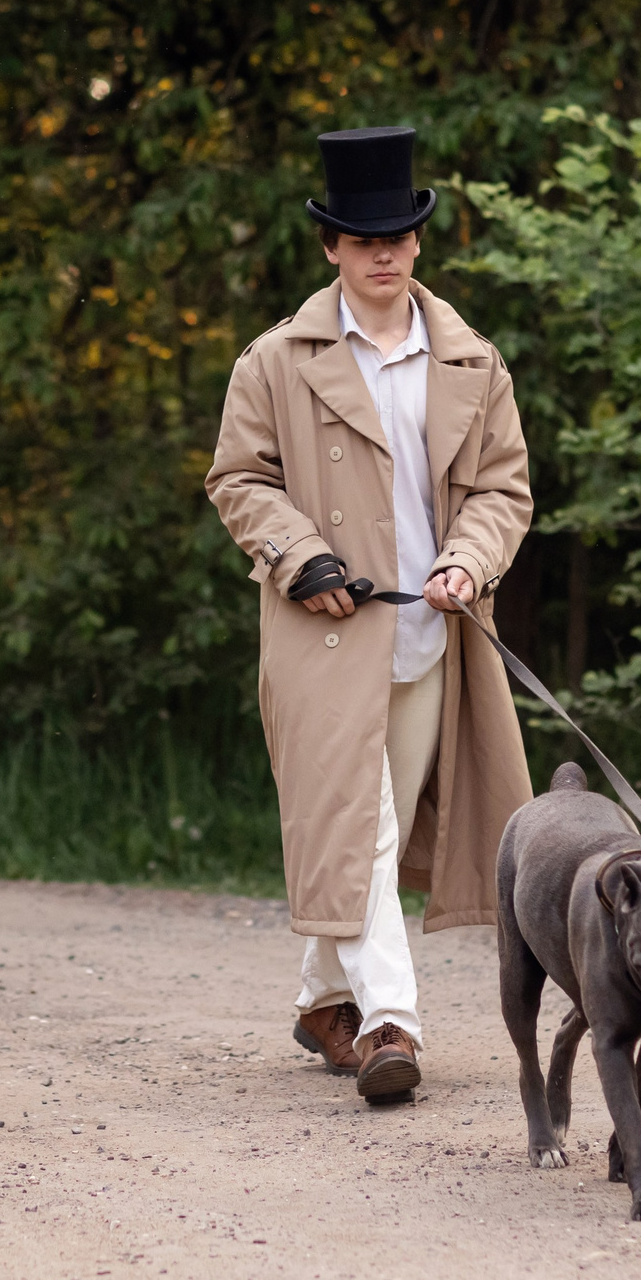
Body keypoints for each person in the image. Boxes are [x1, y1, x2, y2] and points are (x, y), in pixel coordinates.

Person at [205, 126, 535, 1104]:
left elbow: (502, 491)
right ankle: (391, 1021)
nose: (382, 250)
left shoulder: (472, 359)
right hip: (322, 637)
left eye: (397, 233)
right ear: (330, 249)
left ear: (418, 241)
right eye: (360, 237)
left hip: (430, 636)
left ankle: (321, 1001)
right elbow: (238, 478)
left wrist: (467, 565)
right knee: (363, 826)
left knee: (369, 840)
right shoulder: (273, 361)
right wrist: (300, 555)